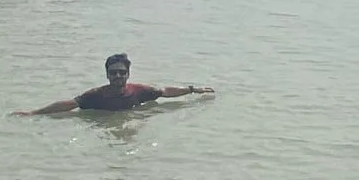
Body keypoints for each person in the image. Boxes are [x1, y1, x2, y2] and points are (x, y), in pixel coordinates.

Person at [13, 54, 213, 116]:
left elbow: (165, 92)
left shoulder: (140, 91)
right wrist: (34, 113)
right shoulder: (95, 95)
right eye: (113, 73)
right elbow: (69, 104)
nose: (118, 76)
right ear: (107, 75)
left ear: (128, 74)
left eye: (122, 73)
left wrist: (194, 90)